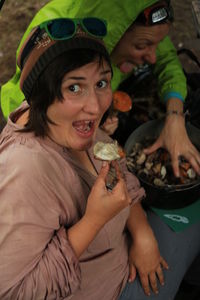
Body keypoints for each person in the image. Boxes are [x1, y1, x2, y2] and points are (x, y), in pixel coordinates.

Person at [1, 0, 200, 178]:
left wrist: (175, 117)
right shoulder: (59, 44)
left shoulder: (139, 19)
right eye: (142, 46)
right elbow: (28, 117)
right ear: (116, 33)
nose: (152, 57)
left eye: (102, 84)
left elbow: (166, 60)